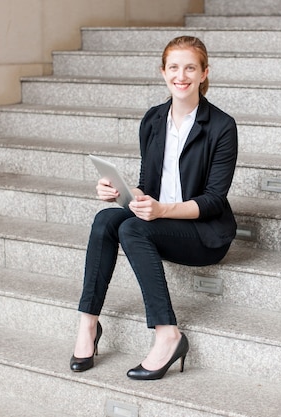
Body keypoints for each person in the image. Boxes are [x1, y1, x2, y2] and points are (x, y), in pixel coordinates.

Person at [70, 35, 238, 380]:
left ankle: (168, 334)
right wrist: (119, 190)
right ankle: (87, 325)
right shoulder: (153, 120)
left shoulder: (222, 126)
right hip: (159, 218)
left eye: (190, 67)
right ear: (163, 72)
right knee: (106, 219)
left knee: (131, 227)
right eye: (174, 67)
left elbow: (213, 201)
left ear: (204, 73)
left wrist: (161, 211)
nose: (182, 75)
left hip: (204, 232)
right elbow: (147, 183)